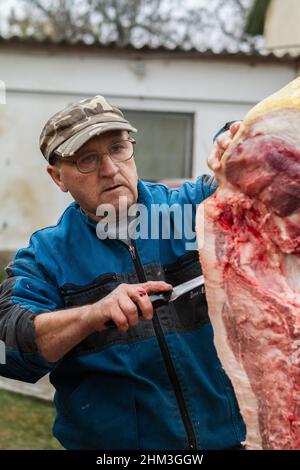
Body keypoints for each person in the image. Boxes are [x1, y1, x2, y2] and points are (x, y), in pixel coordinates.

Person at [0, 96, 245, 450]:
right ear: (58, 178)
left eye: (118, 148)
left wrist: (238, 139)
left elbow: (262, 186)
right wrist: (91, 315)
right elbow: (9, 349)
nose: (111, 169)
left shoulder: (195, 209)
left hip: (227, 441)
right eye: (87, 159)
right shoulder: (46, 258)